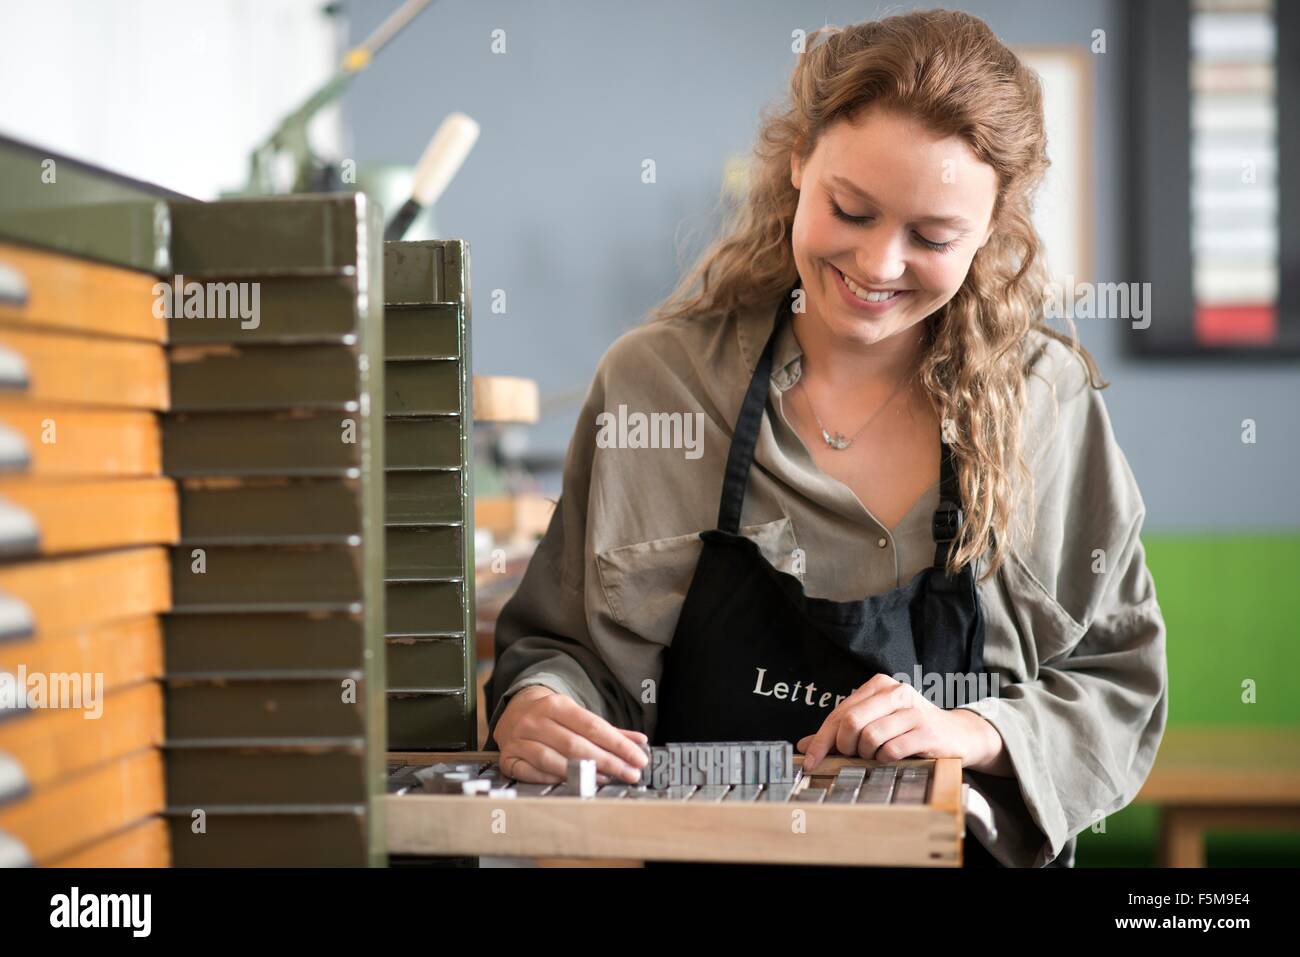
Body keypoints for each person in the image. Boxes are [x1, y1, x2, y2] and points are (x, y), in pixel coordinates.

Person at [484, 9, 1168, 868]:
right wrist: (536, 700)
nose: (879, 265)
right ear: (799, 158)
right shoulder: (653, 386)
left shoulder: (1045, 402)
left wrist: (973, 729)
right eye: (852, 209)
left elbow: (1120, 683)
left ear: (991, 229)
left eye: (932, 236)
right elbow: (560, 645)